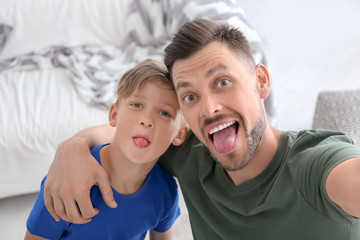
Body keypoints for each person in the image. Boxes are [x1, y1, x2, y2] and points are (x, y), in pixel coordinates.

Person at [43, 18, 360, 239]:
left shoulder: (316, 166)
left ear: (261, 81)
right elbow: (129, 133)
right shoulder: (188, 153)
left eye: (223, 82)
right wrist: (73, 146)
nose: (208, 109)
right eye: (190, 96)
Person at [25, 59, 189, 240]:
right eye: (136, 105)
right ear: (114, 114)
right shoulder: (68, 181)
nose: (146, 120)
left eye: (164, 113)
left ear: (179, 134)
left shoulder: (166, 192)